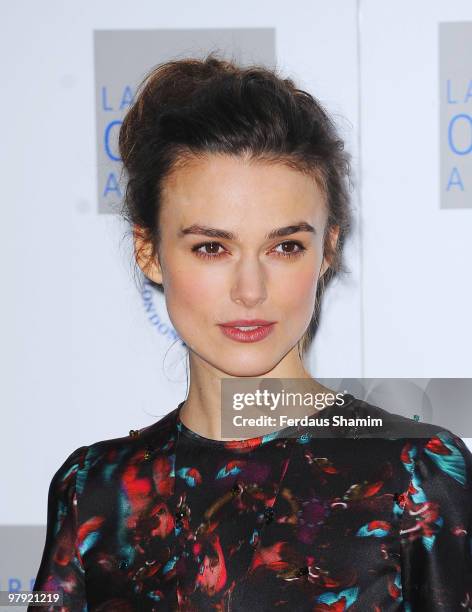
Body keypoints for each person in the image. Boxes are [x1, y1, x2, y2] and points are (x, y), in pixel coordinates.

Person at [30, 54, 472, 611]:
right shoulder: (94, 490)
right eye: (211, 247)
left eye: (285, 247)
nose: (250, 289)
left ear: (326, 249)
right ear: (151, 251)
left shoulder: (417, 473)